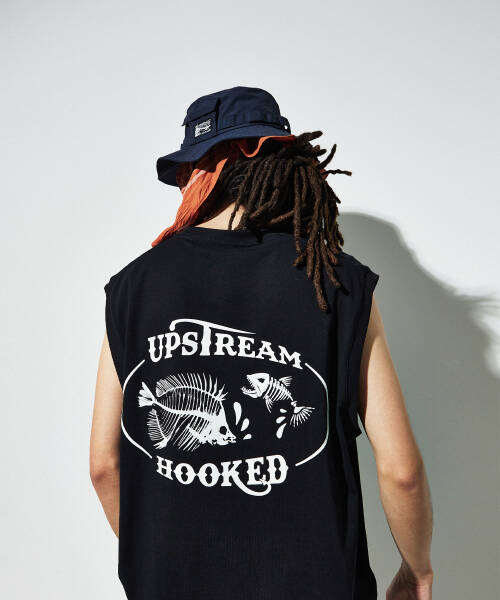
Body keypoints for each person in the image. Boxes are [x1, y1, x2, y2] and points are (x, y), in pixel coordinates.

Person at [90, 86, 434, 600]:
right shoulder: (336, 281)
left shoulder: (133, 287)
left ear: (206, 168)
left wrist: (157, 568)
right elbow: (401, 471)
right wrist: (417, 570)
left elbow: (103, 465)